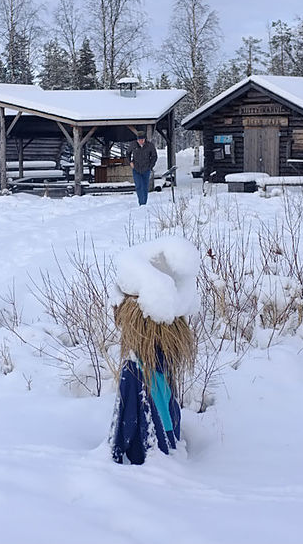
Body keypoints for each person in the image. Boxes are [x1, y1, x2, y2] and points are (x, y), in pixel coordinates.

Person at [110, 237, 200, 465]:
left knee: (153, 385)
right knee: (158, 385)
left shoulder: (136, 367)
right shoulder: (146, 361)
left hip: (151, 351)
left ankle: (160, 445)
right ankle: (166, 440)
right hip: (154, 351)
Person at [128, 130, 157, 206]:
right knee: (138, 186)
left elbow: (154, 156)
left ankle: (144, 203)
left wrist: (150, 166)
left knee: (145, 186)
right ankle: (141, 203)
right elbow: (128, 153)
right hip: (136, 168)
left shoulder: (150, 146)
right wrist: (130, 162)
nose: (141, 141)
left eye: (142, 140)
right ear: (137, 140)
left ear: (145, 139)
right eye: (139, 140)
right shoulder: (133, 145)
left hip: (146, 169)